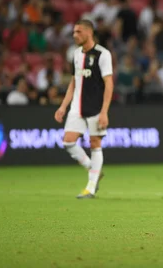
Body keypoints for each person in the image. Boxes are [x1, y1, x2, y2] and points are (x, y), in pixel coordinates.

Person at [54, 19, 114, 199]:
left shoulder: (103, 54)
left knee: (95, 143)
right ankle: (93, 169)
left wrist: (104, 112)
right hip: (76, 107)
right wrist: (63, 106)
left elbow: (109, 84)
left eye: (78, 32)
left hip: (95, 108)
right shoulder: (76, 54)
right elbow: (74, 82)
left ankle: (91, 186)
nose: (75, 35)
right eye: (74, 32)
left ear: (89, 32)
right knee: (68, 141)